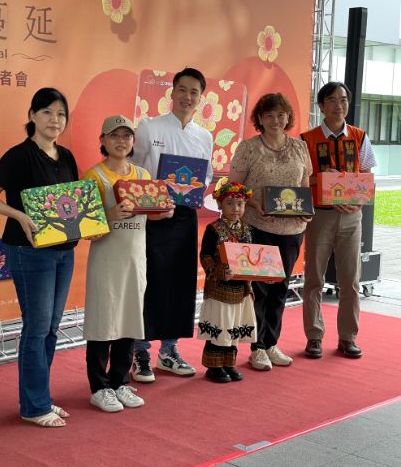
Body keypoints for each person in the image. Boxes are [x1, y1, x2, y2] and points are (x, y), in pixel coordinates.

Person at [0, 88, 78, 428]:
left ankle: (40, 398)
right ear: (32, 115)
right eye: (47, 112)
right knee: (36, 328)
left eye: (61, 114)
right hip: (29, 251)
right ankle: (34, 407)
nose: (55, 120)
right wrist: (19, 215)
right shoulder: (18, 156)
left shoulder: (67, 156)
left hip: (64, 252)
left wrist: (87, 225)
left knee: (51, 327)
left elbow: (72, 202)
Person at [82, 115, 174, 412]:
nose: (121, 141)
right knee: (103, 322)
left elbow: (150, 214)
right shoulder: (92, 177)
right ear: (102, 140)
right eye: (114, 136)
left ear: (134, 141)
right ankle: (99, 387)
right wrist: (109, 215)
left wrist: (164, 211)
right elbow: (84, 227)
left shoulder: (143, 175)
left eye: (126, 136)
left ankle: (120, 380)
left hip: (136, 259)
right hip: (106, 260)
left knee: (130, 319)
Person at [131, 67, 213, 382]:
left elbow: (205, 175)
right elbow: (134, 169)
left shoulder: (204, 136)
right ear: (172, 92)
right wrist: (151, 202)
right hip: (151, 215)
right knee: (148, 281)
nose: (187, 97)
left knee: (180, 282)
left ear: (200, 98)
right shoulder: (149, 128)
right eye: (182, 89)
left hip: (185, 216)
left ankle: (169, 350)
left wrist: (191, 191)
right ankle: (140, 352)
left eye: (194, 92)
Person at [229, 93, 312, 371]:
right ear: (260, 119)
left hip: (292, 230)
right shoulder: (249, 148)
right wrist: (254, 203)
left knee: (281, 289)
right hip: (259, 226)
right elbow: (232, 186)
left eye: (280, 115)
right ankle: (257, 348)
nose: (276, 120)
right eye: (269, 115)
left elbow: (304, 186)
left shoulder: (300, 147)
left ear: (288, 117)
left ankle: (271, 344)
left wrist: (306, 209)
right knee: (260, 290)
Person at [301, 82, 377, 359]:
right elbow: (299, 178)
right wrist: (322, 179)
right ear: (321, 106)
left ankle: (348, 337)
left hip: (352, 216)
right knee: (314, 278)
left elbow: (368, 176)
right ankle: (314, 336)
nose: (339, 105)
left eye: (343, 100)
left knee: (351, 280)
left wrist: (359, 201)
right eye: (332, 100)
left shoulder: (360, 137)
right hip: (319, 215)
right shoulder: (306, 139)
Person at [198, 180, 256, 383]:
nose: (235, 208)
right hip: (219, 289)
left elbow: (252, 257)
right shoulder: (213, 229)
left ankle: (229, 364)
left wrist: (260, 274)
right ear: (220, 205)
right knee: (220, 324)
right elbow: (205, 256)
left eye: (240, 204)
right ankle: (214, 367)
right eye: (230, 203)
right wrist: (219, 271)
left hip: (240, 289)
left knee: (234, 326)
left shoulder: (247, 229)